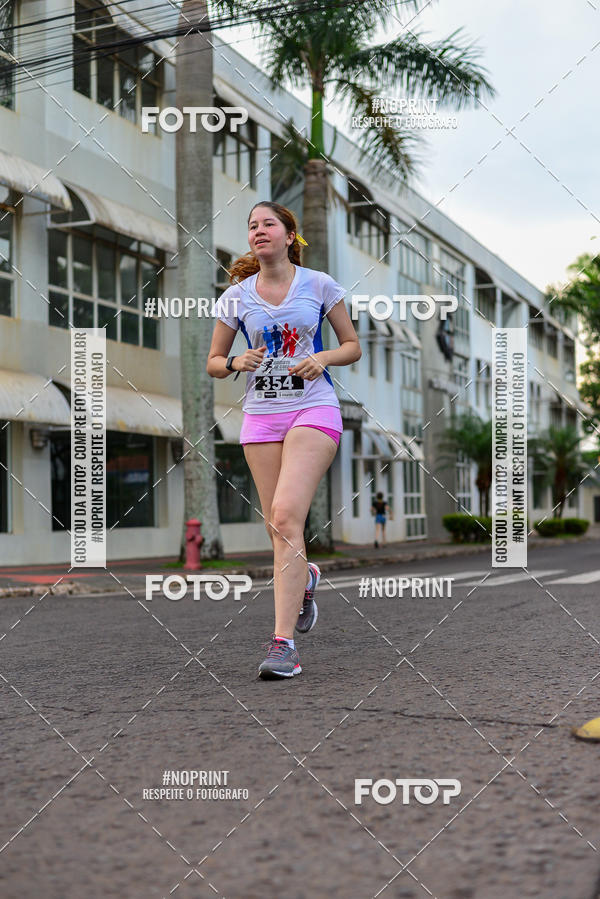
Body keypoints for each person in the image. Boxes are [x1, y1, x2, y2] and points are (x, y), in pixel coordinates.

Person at [207, 201, 361, 679]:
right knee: (278, 532)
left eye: (268, 224)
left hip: (313, 408)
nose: (258, 231)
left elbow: (352, 345)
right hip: (260, 418)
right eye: (252, 226)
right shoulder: (236, 296)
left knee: (285, 516)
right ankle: (306, 579)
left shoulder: (318, 284)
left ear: (290, 235)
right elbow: (213, 360)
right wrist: (236, 363)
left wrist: (324, 359)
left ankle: (283, 645)